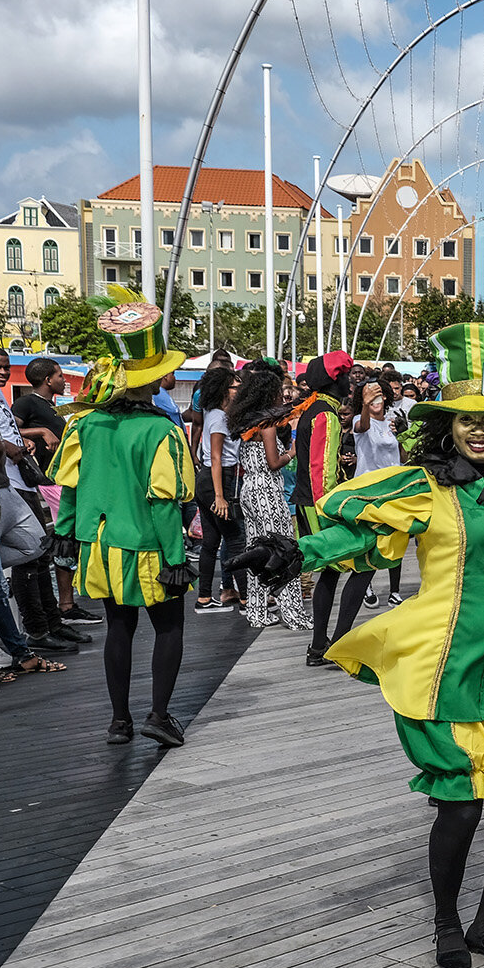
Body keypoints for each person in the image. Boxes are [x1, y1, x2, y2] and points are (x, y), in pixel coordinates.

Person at [231, 318, 484, 968]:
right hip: (444, 666)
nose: (479, 429)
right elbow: (364, 542)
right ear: (446, 425)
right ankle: (447, 923)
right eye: (465, 418)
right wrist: (297, 552)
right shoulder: (422, 488)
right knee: (458, 807)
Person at [50, 293, 195, 745]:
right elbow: (163, 501)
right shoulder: (161, 430)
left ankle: (119, 721)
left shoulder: (84, 425)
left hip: (102, 545)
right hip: (151, 549)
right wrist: (175, 556)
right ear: (148, 380)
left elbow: (70, 486)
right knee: (169, 627)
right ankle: (158, 714)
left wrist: (65, 534)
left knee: (119, 627)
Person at [0, 343, 84, 654]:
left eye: (5, 367)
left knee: (38, 548)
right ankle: (30, 632)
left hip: (12, 486)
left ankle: (48, 623)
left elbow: (3, 436)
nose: (1, 371)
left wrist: (22, 439)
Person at [14, 356, 100, 627]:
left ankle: (66, 603)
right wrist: (40, 432)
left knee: (69, 539)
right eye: (60, 376)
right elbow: (11, 429)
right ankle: (65, 605)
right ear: (48, 380)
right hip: (50, 482)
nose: (64, 381)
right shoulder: (28, 402)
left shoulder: (52, 407)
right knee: (64, 538)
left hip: (64, 480)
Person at [227, 360, 312, 631]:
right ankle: (293, 614)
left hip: (249, 490)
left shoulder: (246, 422)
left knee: (256, 550)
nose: (281, 394)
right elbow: (274, 462)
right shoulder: (268, 425)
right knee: (283, 549)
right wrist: (294, 451)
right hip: (267, 490)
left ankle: (257, 610)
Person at [289, 350, 356, 666]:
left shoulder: (315, 411)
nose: (350, 382)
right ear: (335, 380)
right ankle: (330, 645)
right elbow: (321, 471)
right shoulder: (325, 416)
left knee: (329, 573)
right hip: (320, 505)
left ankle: (321, 645)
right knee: (349, 567)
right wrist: (332, 511)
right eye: (346, 376)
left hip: (309, 502)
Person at [193, 366, 246, 615]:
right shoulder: (219, 417)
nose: (239, 390)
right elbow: (216, 457)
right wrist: (220, 496)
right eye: (236, 386)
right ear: (225, 390)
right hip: (218, 479)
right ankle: (247, 599)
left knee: (211, 541)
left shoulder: (214, 413)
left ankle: (204, 597)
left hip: (207, 479)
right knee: (235, 539)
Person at [352, 378, 406, 608]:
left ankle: (394, 590)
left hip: (392, 489)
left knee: (396, 539)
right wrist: (364, 405)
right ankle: (365, 587)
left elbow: (403, 458)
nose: (373, 399)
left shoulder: (393, 421)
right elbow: (361, 427)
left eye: (377, 395)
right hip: (368, 489)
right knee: (369, 540)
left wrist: (402, 435)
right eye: (368, 395)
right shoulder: (359, 419)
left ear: (385, 397)